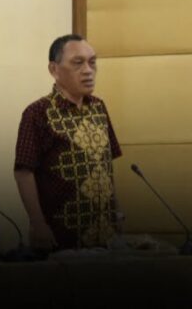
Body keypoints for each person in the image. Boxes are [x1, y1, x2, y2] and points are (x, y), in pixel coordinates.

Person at [14, 34, 123, 251]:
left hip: (106, 235)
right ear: (54, 70)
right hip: (61, 237)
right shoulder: (37, 113)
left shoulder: (99, 107)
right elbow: (23, 172)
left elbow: (106, 167)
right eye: (78, 63)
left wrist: (117, 211)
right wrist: (37, 223)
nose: (88, 70)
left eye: (92, 62)